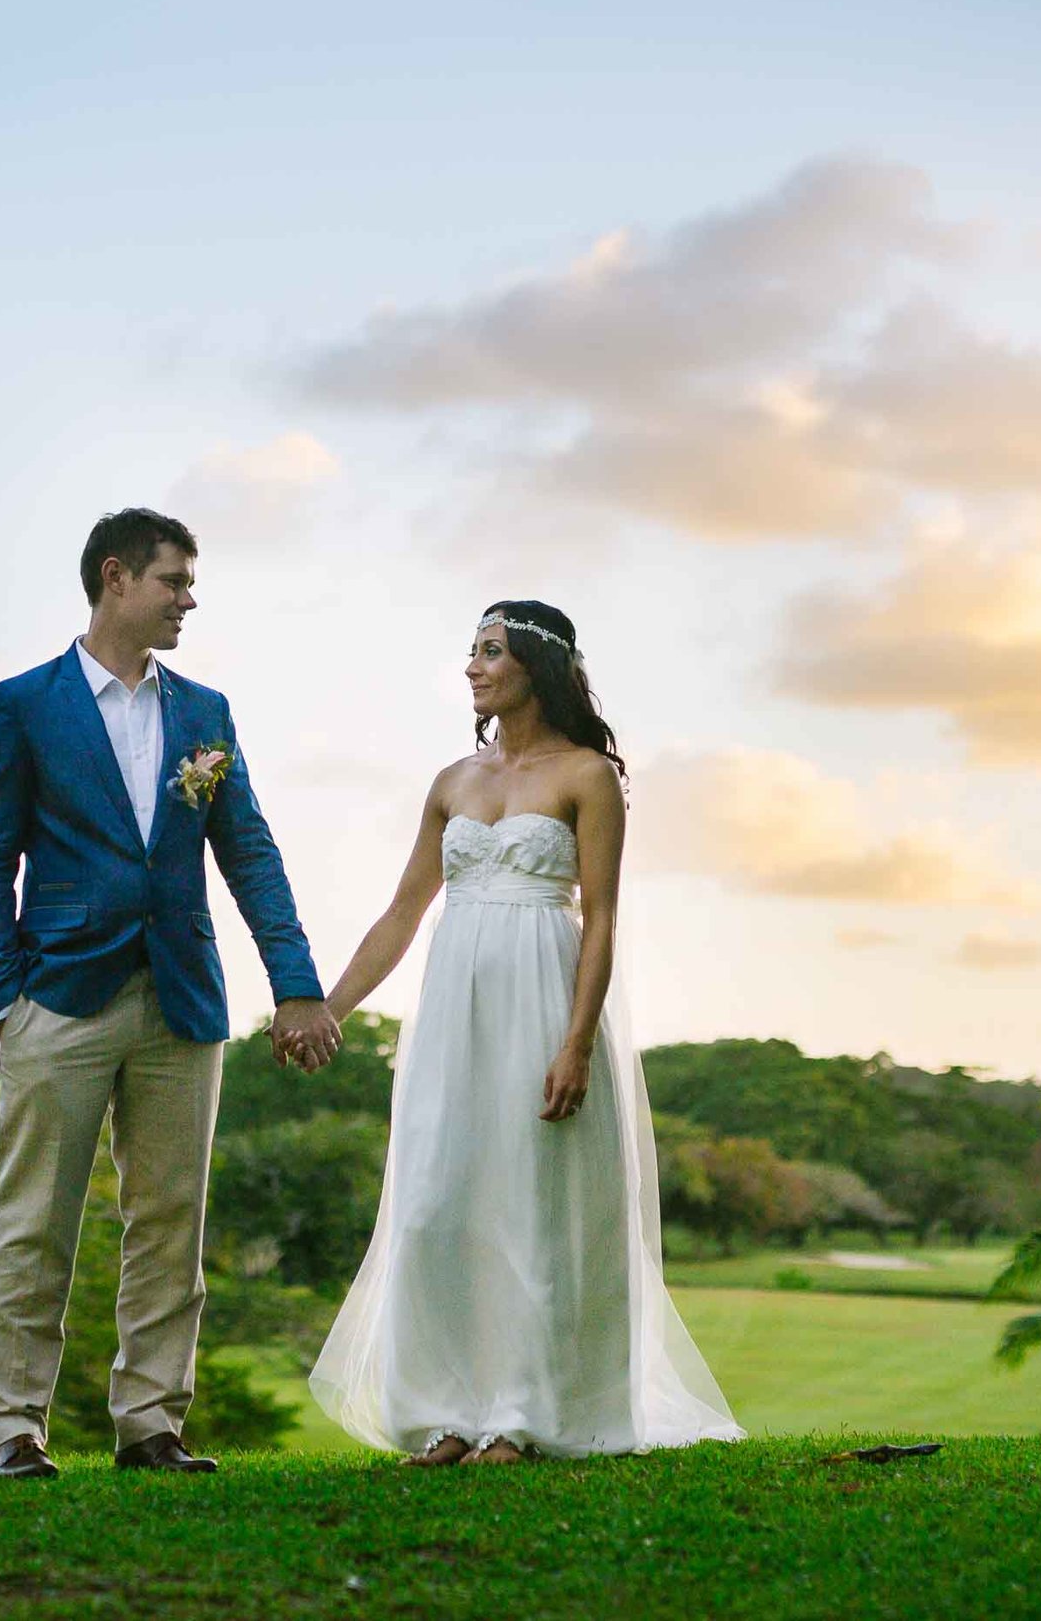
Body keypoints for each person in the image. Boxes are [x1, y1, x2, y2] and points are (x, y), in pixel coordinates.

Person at [308, 600, 742, 1464]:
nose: (472, 666)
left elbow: (603, 918)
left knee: (532, 1207)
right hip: (452, 1004)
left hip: (543, 995)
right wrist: (330, 1005)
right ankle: (443, 1411)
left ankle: (523, 1411)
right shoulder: (451, 782)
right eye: (470, 650)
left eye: (490, 651)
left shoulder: (587, 775)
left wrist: (577, 1040)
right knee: (437, 1203)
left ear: (535, 668)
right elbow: (402, 912)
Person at [0, 507, 341, 1479]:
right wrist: (5, 989)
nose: (189, 599)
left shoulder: (205, 711)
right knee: (34, 1215)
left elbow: (248, 851)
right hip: (58, 995)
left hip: (183, 997)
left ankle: (151, 1423)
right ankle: (11, 1426)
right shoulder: (20, 704)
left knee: (171, 1218)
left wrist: (296, 985)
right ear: (116, 576)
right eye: (174, 581)